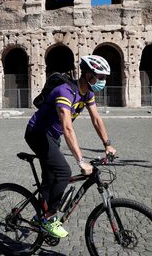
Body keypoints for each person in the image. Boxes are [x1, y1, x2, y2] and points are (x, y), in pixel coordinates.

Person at [24, 55, 117, 238]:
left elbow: (96, 119)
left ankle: (39, 216)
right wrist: (81, 160)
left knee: (50, 178)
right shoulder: (65, 91)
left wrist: (108, 144)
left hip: (53, 136)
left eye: (105, 78)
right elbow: (67, 127)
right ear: (89, 76)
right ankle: (48, 219)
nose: (103, 82)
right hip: (37, 134)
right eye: (101, 77)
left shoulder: (87, 93)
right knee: (63, 172)